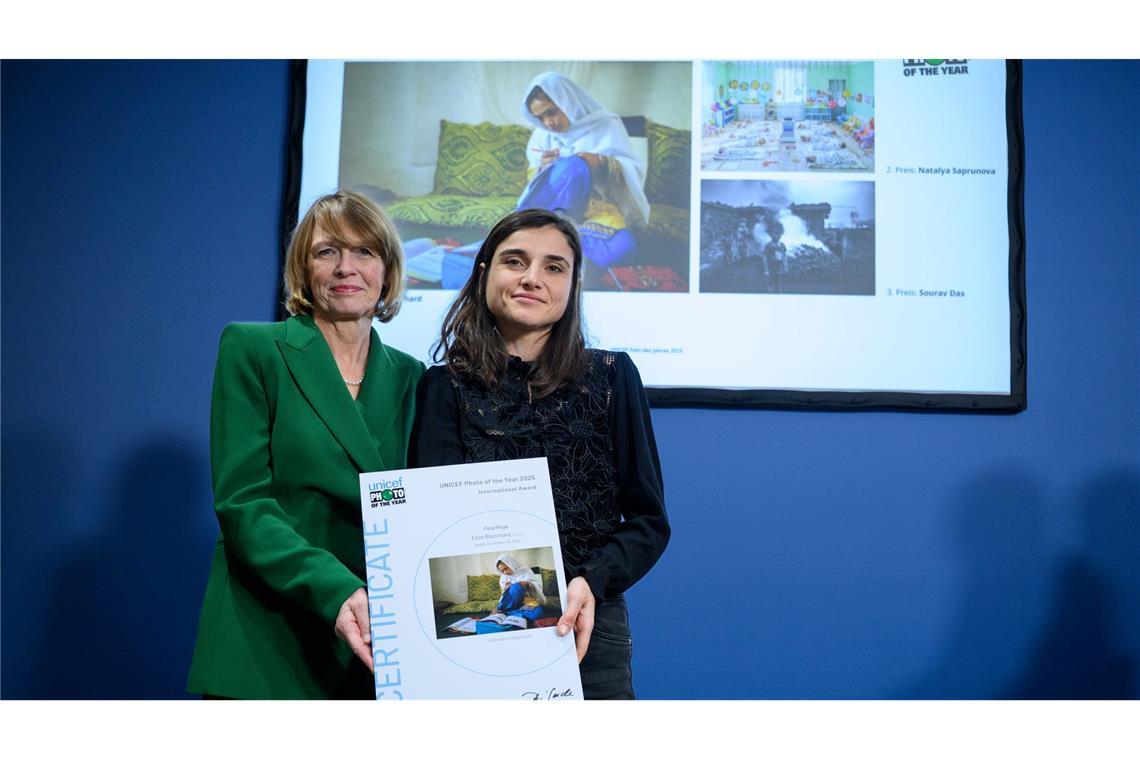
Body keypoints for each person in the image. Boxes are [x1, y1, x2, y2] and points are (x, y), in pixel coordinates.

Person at [410, 208, 670, 699]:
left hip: (583, 625)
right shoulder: (441, 387)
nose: (532, 278)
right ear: (484, 272)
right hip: (475, 628)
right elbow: (431, 528)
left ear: (572, 286)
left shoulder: (613, 378)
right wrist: (496, 612)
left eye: (554, 267)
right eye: (515, 261)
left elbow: (648, 521)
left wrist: (592, 581)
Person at [187, 190, 424, 699]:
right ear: (303, 269)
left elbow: (418, 508)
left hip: (372, 640)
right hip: (266, 633)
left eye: (365, 252)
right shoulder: (254, 349)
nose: (346, 267)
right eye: (326, 252)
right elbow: (243, 503)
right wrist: (336, 590)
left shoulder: (413, 376)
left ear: (387, 271)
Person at [517, 71, 650, 271]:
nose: (548, 123)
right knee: (571, 168)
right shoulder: (542, 136)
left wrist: (600, 162)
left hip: (597, 212)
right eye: (540, 117)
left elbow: (633, 171)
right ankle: (559, 250)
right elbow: (533, 188)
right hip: (554, 212)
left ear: (567, 101)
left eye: (552, 112)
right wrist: (544, 168)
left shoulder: (605, 125)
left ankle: (552, 251)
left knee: (624, 247)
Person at [492, 555, 546, 619]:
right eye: (502, 571)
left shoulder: (525, 570)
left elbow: (538, 586)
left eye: (506, 568)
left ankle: (506, 613)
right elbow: (504, 596)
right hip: (512, 603)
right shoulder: (503, 577)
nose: (505, 572)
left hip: (527, 601)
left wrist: (527, 584)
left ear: (511, 564)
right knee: (516, 587)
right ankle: (504, 610)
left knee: (537, 614)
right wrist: (507, 588)